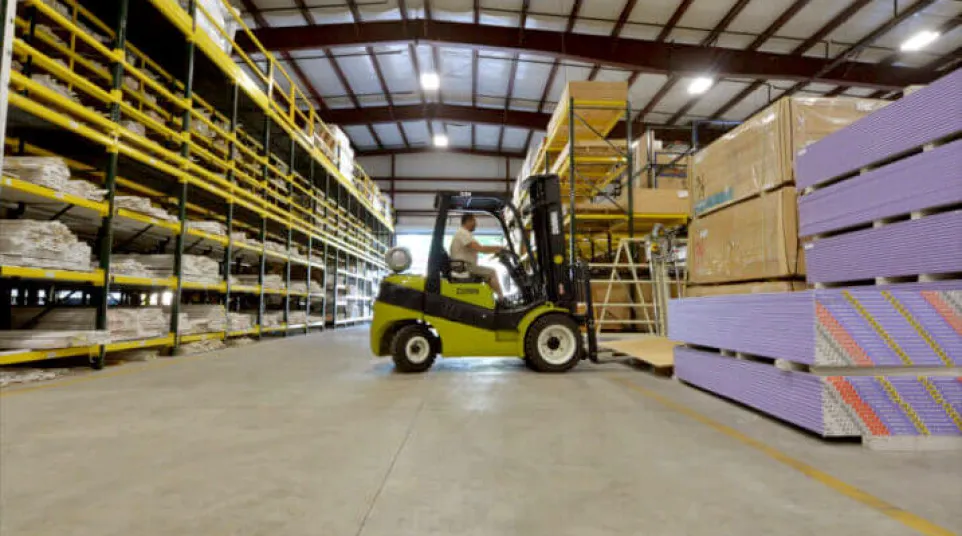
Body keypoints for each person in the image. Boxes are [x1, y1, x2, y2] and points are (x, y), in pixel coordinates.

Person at [449, 214, 504, 299]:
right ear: (468, 221)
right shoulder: (463, 233)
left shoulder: (463, 233)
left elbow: (478, 249)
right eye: (474, 221)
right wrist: (499, 248)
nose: (476, 224)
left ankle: (491, 299)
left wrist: (495, 251)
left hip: (464, 266)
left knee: (487, 275)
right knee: (491, 272)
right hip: (465, 268)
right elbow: (480, 248)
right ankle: (502, 299)